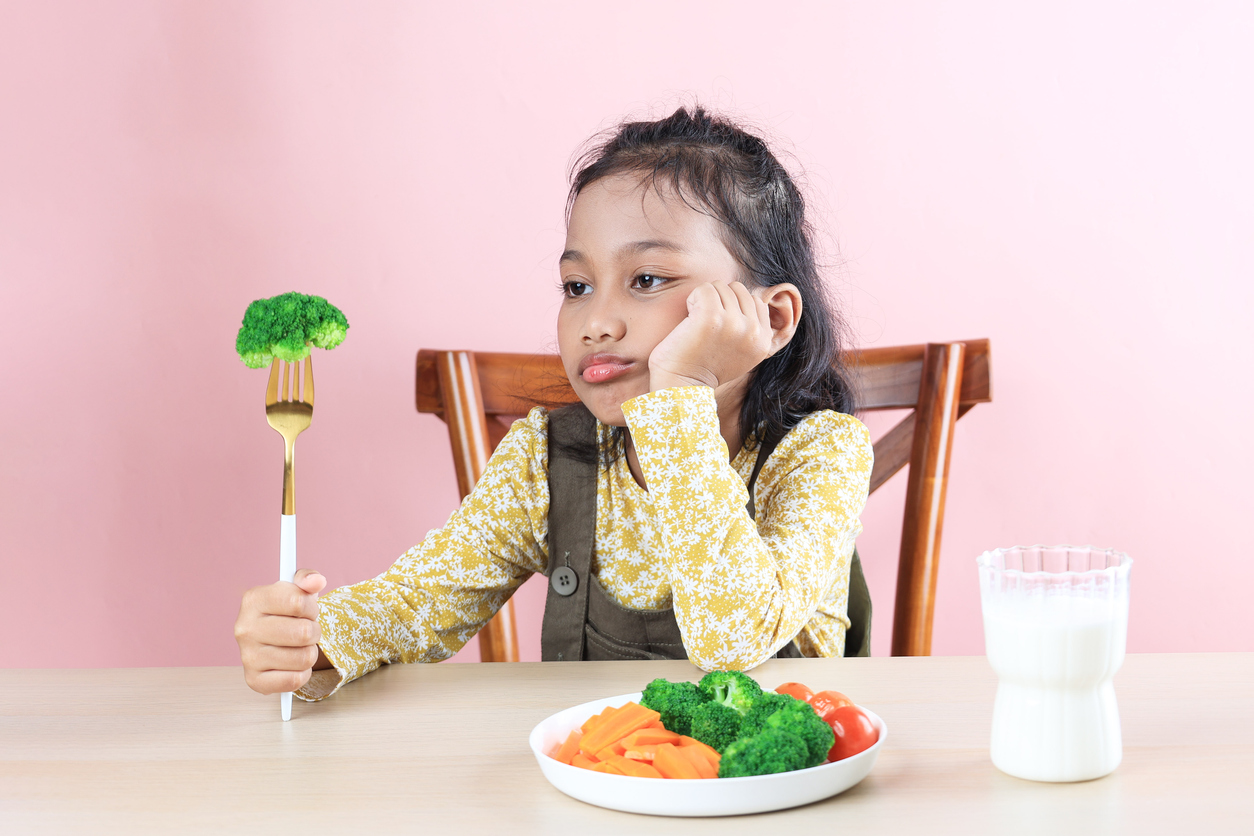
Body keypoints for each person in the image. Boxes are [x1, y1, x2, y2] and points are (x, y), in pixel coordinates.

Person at [234, 106, 874, 701]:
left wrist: (682, 393)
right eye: (577, 285)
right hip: (595, 790)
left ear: (772, 316)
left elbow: (733, 639)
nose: (595, 321)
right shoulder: (549, 458)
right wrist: (312, 638)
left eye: (647, 280)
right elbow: (416, 604)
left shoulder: (821, 454)